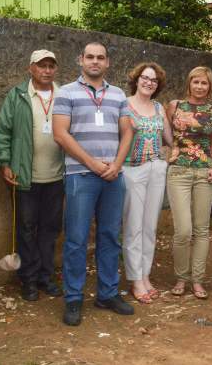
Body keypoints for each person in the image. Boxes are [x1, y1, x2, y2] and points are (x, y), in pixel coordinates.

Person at [53, 42, 134, 326]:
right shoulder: (66, 92)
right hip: (81, 175)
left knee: (110, 236)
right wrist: (92, 163)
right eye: (90, 57)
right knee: (76, 239)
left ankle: (107, 294)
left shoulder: (118, 94)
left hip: (113, 176)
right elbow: (60, 134)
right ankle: (74, 298)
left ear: (108, 62)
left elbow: (127, 132)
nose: (95, 61)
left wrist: (117, 165)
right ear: (81, 60)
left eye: (100, 57)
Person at [0, 49, 65, 302]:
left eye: (51, 66)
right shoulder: (18, 95)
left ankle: (46, 276)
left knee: (50, 229)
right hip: (24, 176)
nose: (47, 70)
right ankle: (29, 279)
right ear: (30, 68)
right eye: (41, 65)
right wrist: (5, 162)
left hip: (57, 176)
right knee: (26, 229)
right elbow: (3, 130)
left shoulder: (65, 95)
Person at [166, 66, 212, 300]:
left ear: (210, 87)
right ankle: (181, 277)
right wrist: (170, 152)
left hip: (204, 173)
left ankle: (197, 280)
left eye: (204, 83)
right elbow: (166, 135)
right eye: (196, 82)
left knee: (201, 229)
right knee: (183, 230)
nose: (200, 86)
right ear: (189, 83)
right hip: (178, 171)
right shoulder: (174, 106)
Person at [121, 62, 172, 305]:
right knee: (134, 226)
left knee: (150, 226)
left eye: (154, 80)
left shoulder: (159, 107)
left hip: (156, 169)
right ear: (136, 79)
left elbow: (170, 139)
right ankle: (135, 279)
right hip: (131, 170)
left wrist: (168, 156)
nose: (149, 82)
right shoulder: (124, 105)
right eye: (145, 77)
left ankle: (145, 275)